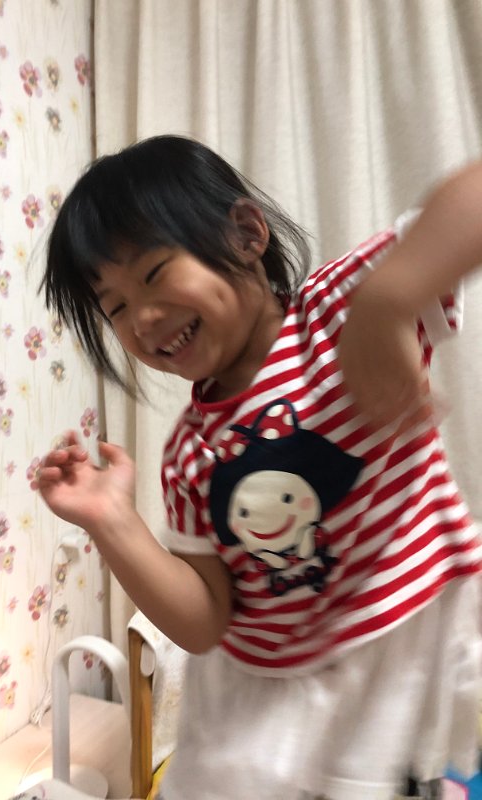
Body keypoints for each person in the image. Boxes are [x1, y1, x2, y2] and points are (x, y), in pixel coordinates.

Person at [38, 135, 482, 800]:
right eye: (117, 308)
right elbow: (204, 621)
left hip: (396, 652)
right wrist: (111, 521)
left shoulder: (338, 310)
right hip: (270, 701)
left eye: (154, 274)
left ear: (246, 233)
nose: (145, 320)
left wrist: (389, 298)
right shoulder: (189, 453)